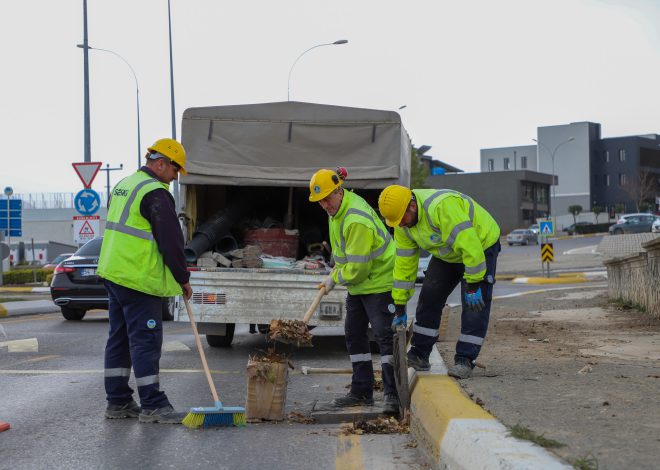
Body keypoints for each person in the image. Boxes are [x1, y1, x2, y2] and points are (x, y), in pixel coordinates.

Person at [97, 138, 193, 424]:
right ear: (161, 163)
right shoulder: (155, 193)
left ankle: (118, 402)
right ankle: (152, 404)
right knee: (145, 341)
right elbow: (172, 241)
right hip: (137, 278)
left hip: (114, 273)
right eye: (175, 169)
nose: (176, 176)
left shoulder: (125, 185)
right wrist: (182, 278)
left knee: (119, 339)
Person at [378, 185, 501, 379]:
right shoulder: (402, 225)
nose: (399, 224)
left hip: (481, 244)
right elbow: (404, 265)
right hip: (448, 253)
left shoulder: (441, 208)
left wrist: (474, 285)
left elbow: (471, 247)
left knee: (473, 305)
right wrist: (400, 306)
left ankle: (465, 360)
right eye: (395, 222)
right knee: (429, 297)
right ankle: (420, 354)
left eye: (401, 219)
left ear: (411, 205)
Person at [309, 168, 399, 414]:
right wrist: (335, 273)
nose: (325, 205)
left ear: (339, 191)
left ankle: (393, 395)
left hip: (380, 282)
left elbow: (358, 269)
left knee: (384, 336)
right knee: (354, 333)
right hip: (361, 285)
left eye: (328, 198)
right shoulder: (337, 211)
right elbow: (345, 254)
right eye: (320, 202)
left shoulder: (355, 219)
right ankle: (361, 392)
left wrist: (334, 278)